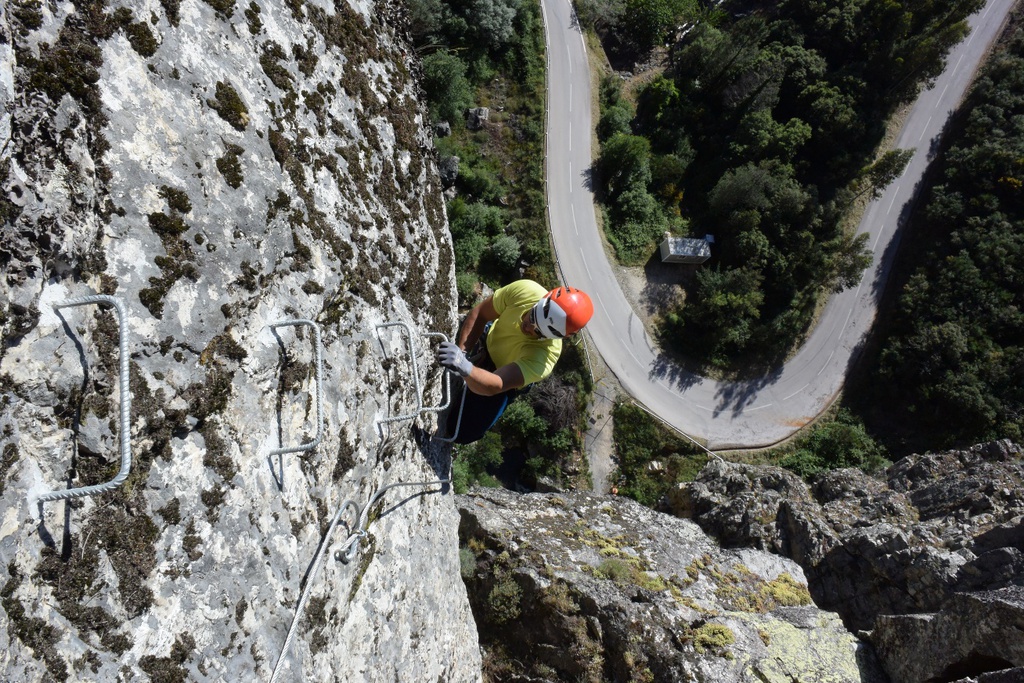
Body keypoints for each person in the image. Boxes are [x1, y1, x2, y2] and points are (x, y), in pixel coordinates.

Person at [437, 279, 594, 444]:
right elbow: (481, 314)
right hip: (488, 343)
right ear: (540, 301)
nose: (528, 328)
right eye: (532, 316)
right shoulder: (526, 291)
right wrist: (462, 351)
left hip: (503, 378)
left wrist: (464, 366)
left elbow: (495, 384)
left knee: (462, 432)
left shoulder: (545, 357)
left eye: (538, 332)